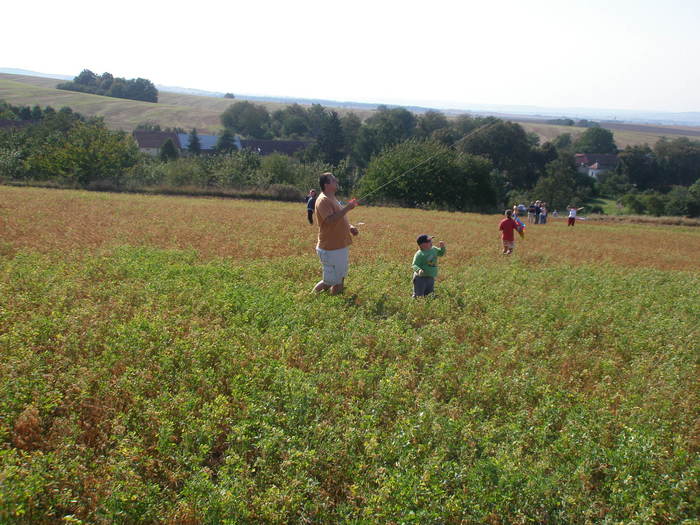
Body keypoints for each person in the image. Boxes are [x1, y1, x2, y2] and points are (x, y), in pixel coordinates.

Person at [312, 173, 358, 295]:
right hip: (330, 248)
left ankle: (335, 298)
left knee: (339, 278)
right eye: (333, 180)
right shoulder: (323, 200)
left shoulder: (332, 198)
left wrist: (349, 227)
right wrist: (347, 208)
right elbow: (329, 220)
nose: (336, 181)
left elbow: (338, 218)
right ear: (326, 184)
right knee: (331, 281)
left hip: (339, 246)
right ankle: (312, 297)